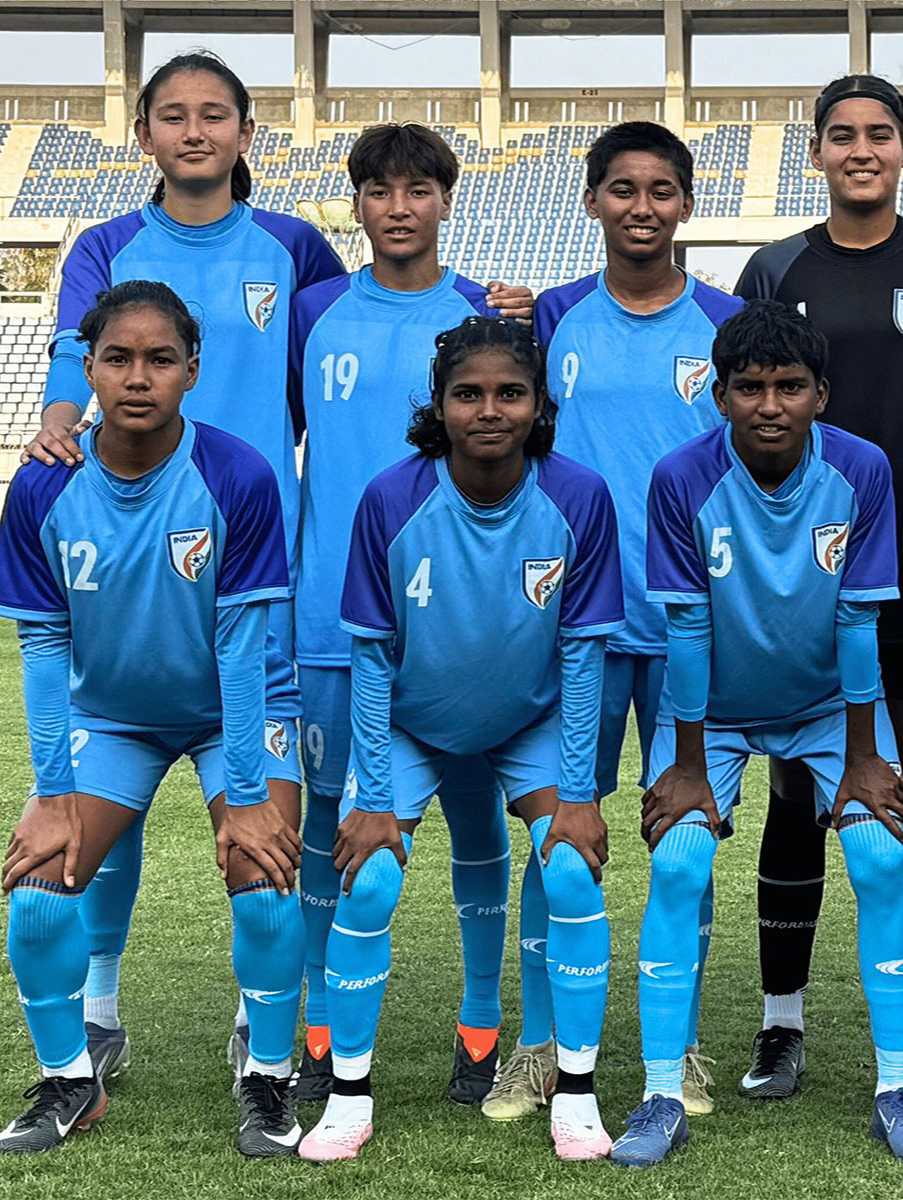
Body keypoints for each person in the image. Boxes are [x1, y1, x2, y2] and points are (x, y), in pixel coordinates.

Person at [16, 51, 343, 1081]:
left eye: (214, 116)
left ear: (248, 135)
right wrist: (60, 432)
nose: (193, 131)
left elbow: (370, 322)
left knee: (277, 825)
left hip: (256, 558)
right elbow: (75, 357)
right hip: (134, 557)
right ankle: (101, 1012)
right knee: (99, 816)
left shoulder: (293, 245)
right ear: (145, 133)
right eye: (172, 115)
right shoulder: (105, 245)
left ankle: (274, 1021)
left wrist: (495, 301)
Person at [610, 300, 903, 1167]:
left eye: (788, 386)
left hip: (830, 709)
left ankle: (896, 1086)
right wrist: (685, 765)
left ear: (820, 395)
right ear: (718, 397)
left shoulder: (862, 470)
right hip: (713, 714)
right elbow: (685, 633)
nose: (769, 404)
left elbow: (860, 620)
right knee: (680, 863)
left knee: (876, 858)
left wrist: (866, 757)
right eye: (749, 387)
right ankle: (658, 1094)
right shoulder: (682, 477)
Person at [0, 282, 305, 1157]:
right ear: (86, 367)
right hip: (112, 716)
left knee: (265, 876)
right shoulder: (42, 488)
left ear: (192, 371)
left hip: (234, 712)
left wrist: (247, 795)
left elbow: (244, 650)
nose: (138, 377)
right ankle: (71, 1080)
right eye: (118, 359)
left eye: (160, 359)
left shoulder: (237, 473)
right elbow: (45, 650)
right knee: (40, 897)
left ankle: (268, 1079)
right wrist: (53, 795)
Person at [297, 317, 623, 1162]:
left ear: (539, 405)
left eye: (509, 393)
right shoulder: (391, 498)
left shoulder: (579, 496)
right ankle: (348, 1094)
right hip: (410, 722)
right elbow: (371, 661)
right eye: (467, 394)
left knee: (570, 870)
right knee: (366, 883)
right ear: (438, 406)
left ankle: (576, 1091)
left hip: (530, 722)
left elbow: (583, 659)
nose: (489, 410)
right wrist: (372, 798)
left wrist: (581, 795)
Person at [732, 73, 903, 1097]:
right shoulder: (776, 264)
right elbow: (744, 402)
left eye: (879, 135)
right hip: (804, 572)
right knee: (797, 795)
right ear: (816, 152)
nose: (860, 151)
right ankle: (780, 1023)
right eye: (840, 135)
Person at [488, 121, 741, 1124]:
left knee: (689, 837)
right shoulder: (548, 318)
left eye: (662, 190)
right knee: (557, 840)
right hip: (574, 625)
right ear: (592, 201)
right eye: (622, 189)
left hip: (691, 626)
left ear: (685, 204)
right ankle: (542, 1045)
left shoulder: (728, 323)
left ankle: (677, 1052)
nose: (642, 206)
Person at [287, 122, 513, 1108]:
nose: (398, 208)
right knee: (326, 826)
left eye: (418, 189)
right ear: (358, 203)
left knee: (474, 820)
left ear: (445, 201)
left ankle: (479, 1028)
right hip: (327, 623)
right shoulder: (311, 313)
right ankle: (315, 1025)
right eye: (378, 190)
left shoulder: (486, 317)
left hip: (456, 627)